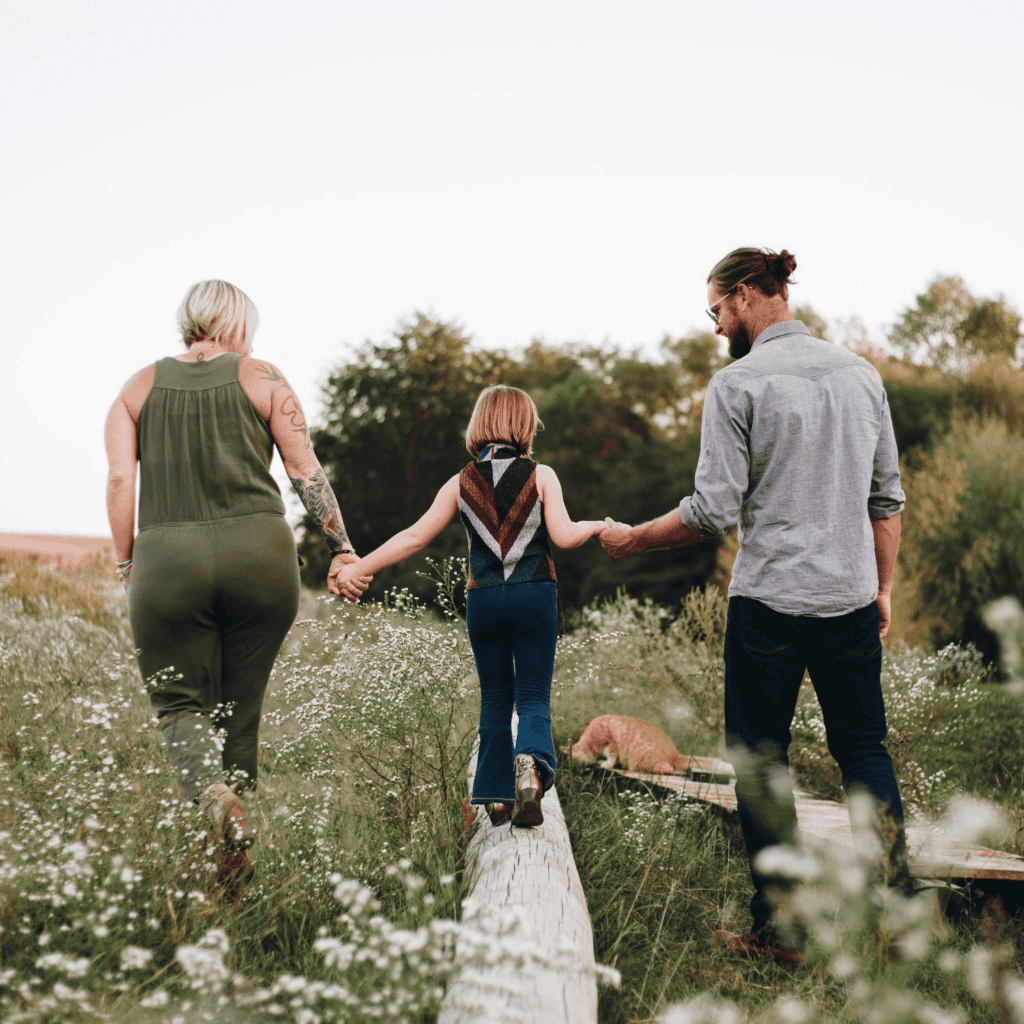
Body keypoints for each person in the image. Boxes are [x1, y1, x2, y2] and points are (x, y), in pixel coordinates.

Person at [600, 248, 909, 959]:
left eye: (715, 312)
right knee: (864, 750)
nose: (715, 329)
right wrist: (882, 588)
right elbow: (885, 502)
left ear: (744, 296)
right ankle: (896, 921)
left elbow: (710, 512)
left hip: (769, 605)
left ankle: (783, 932)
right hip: (850, 601)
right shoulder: (863, 377)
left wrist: (630, 538)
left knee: (764, 762)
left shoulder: (737, 384)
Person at [104, 280, 367, 883]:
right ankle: (235, 865)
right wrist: (342, 548)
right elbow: (307, 473)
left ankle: (218, 806)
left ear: (188, 321)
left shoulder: (135, 389)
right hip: (260, 556)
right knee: (238, 712)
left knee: (179, 705)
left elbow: (122, 482)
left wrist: (128, 564)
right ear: (239, 323)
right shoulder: (263, 377)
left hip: (167, 557)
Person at [331, 385, 607, 827]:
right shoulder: (541, 474)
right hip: (534, 594)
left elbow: (414, 537)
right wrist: (598, 525)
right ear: (524, 427)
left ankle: (496, 798)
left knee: (495, 697)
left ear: (480, 425)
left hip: (484, 601)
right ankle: (531, 770)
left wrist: (359, 568)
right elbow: (565, 536)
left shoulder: (460, 482)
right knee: (533, 697)